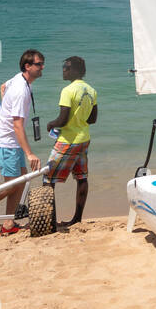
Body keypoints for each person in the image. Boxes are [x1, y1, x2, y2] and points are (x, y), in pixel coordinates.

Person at [0, 49, 44, 234]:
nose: (42, 67)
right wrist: (29, 153)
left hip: (11, 142)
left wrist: (5, 105)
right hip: (7, 144)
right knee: (11, 186)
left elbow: (3, 86)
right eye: (38, 64)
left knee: (19, 183)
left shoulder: (19, 79)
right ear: (27, 67)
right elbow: (18, 125)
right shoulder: (21, 91)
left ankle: (8, 224)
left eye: (42, 63)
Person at [44, 55, 98, 226]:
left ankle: (48, 220)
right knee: (81, 177)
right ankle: (77, 219)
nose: (64, 70)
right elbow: (93, 119)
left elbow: (63, 120)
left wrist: (51, 124)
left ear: (75, 70)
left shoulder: (67, 91)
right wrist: (79, 120)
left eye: (66, 67)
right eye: (63, 67)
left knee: (48, 179)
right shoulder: (91, 90)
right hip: (84, 139)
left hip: (67, 141)